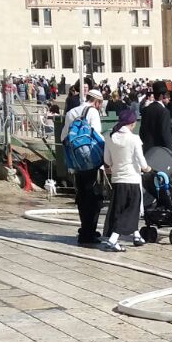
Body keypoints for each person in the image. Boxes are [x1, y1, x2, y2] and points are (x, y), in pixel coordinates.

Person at [61, 87, 106, 245]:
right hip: (91, 162)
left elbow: (63, 137)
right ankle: (89, 232)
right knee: (93, 197)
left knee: (81, 196)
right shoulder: (93, 112)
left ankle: (84, 228)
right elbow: (97, 135)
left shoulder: (71, 112)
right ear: (97, 102)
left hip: (75, 162)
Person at [102, 107, 150, 252]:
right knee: (131, 211)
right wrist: (148, 169)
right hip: (132, 179)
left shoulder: (109, 136)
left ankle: (136, 236)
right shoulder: (134, 139)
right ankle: (113, 239)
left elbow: (107, 160)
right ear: (132, 123)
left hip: (117, 180)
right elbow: (142, 163)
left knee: (119, 209)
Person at [139, 80, 172, 153]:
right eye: (167, 95)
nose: (168, 98)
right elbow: (166, 134)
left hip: (147, 150)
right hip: (160, 151)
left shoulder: (146, 109)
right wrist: (171, 153)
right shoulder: (164, 112)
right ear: (162, 96)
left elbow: (142, 132)